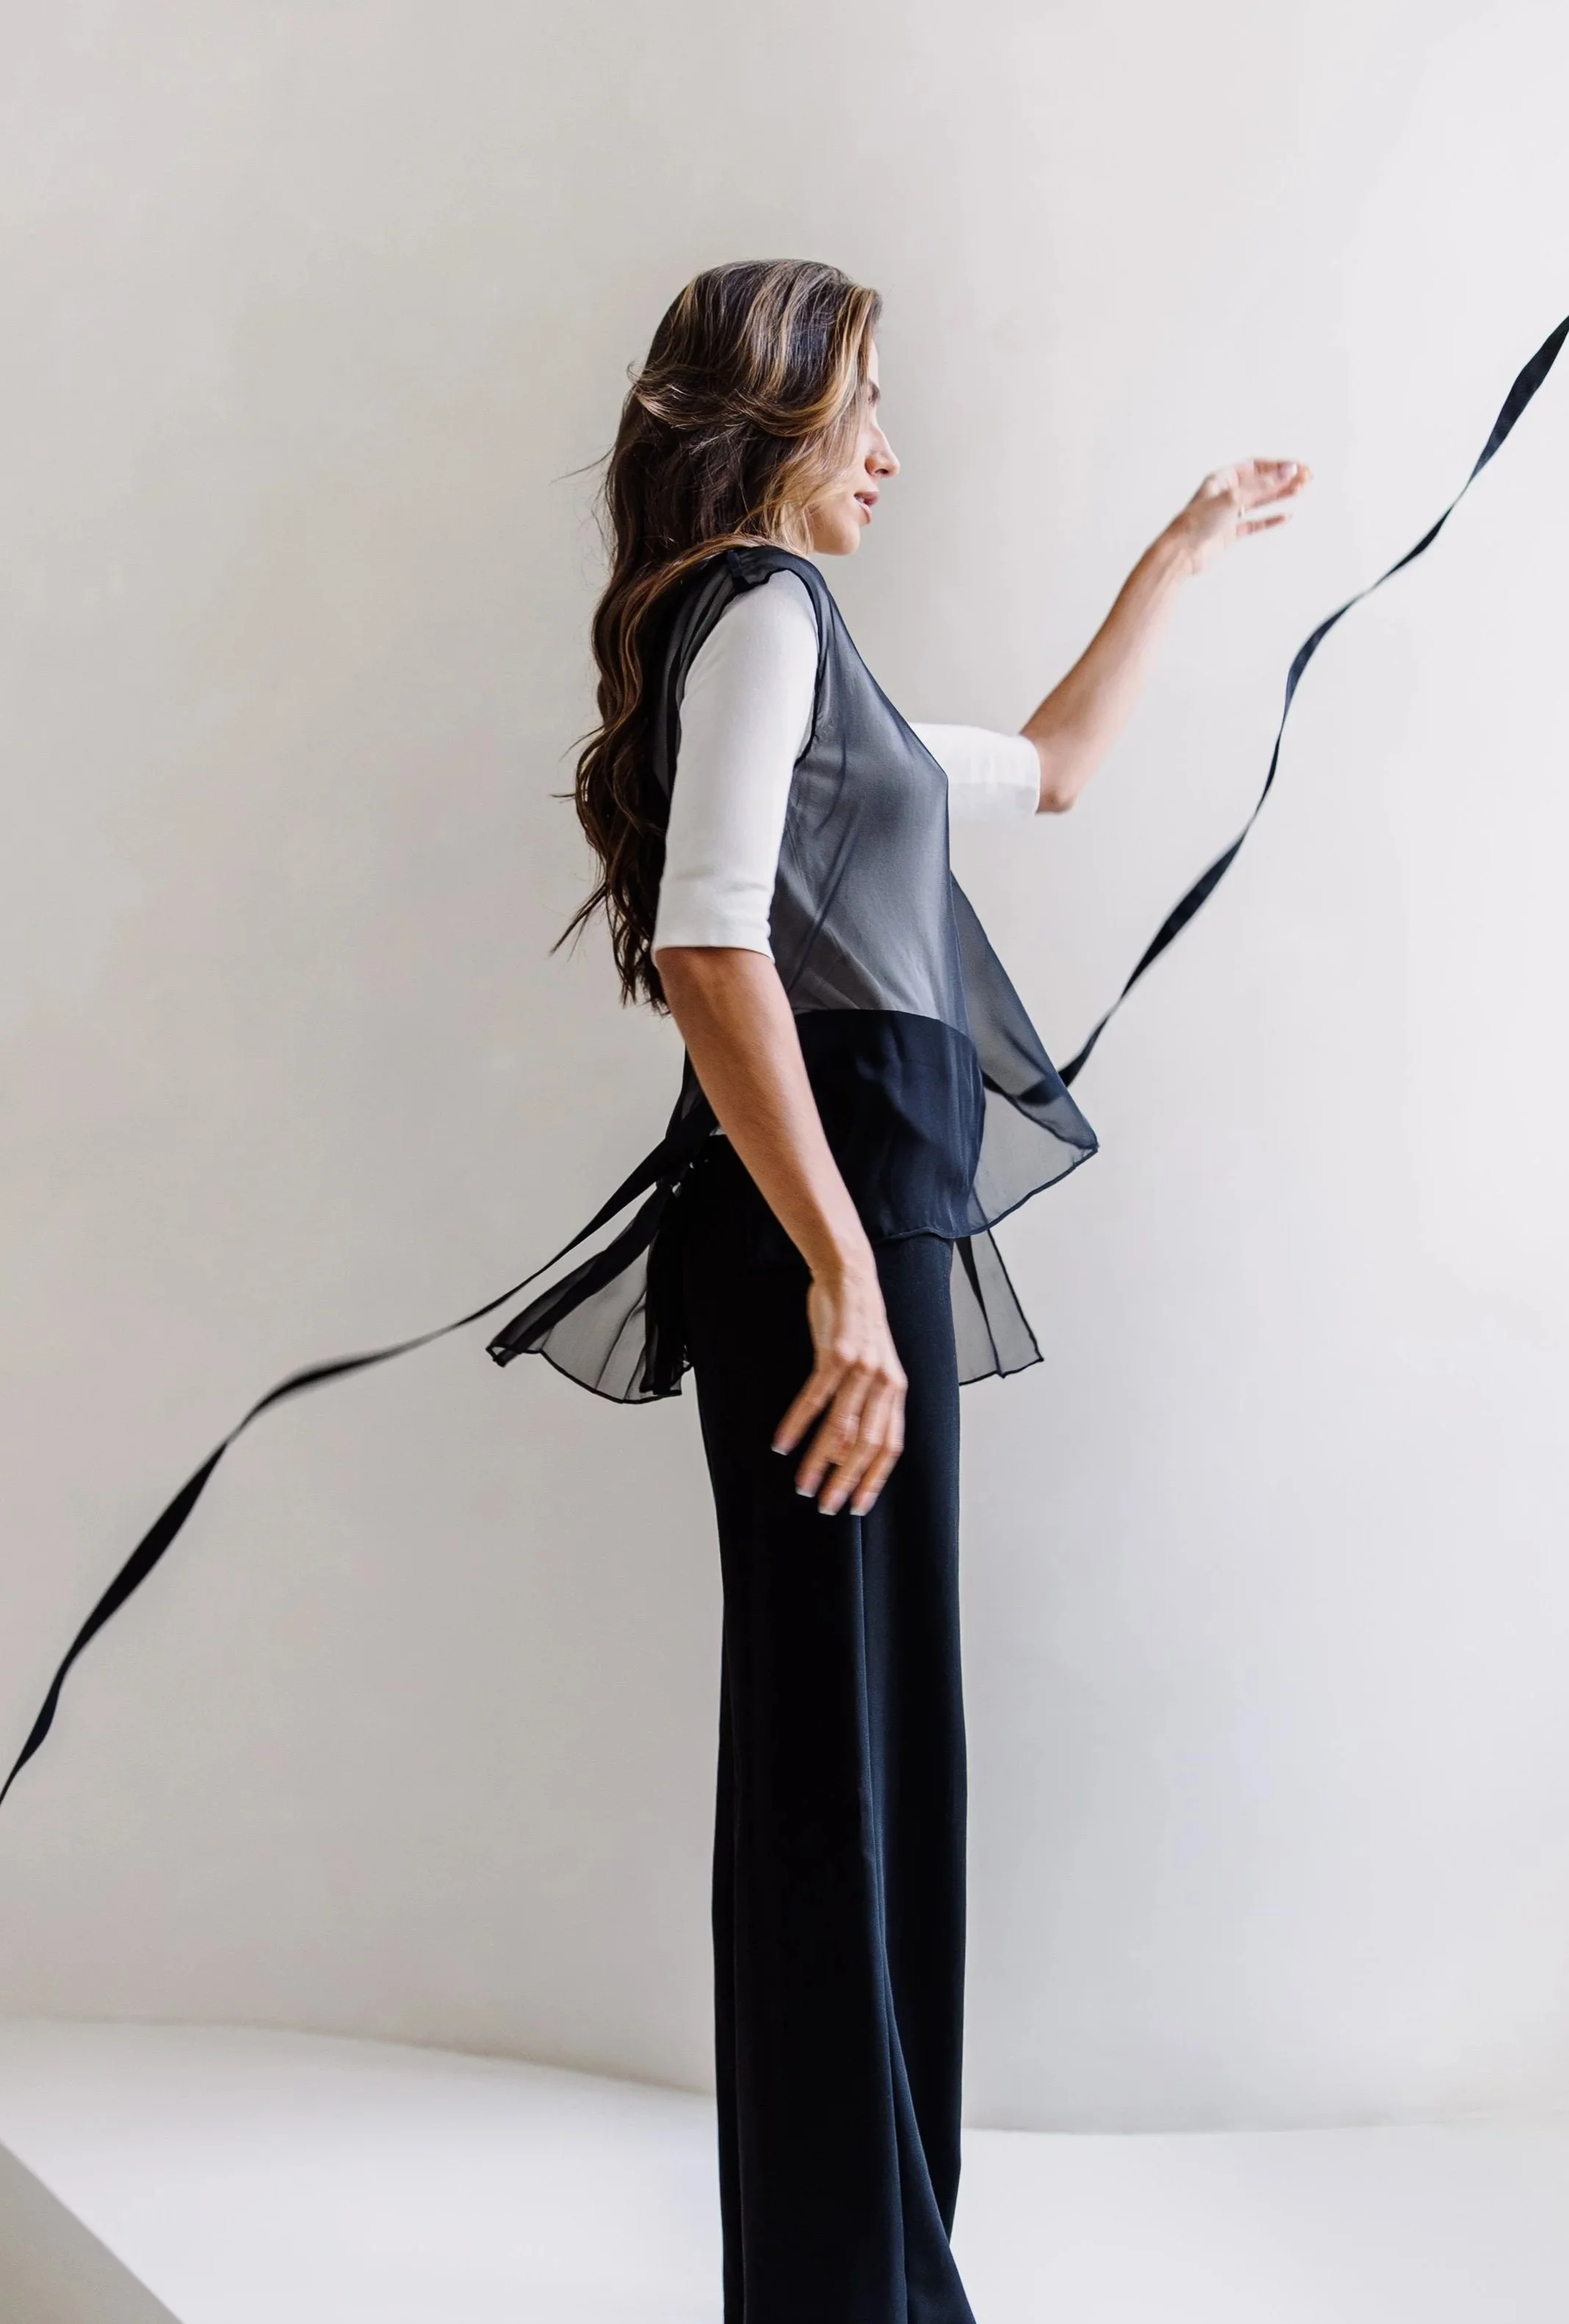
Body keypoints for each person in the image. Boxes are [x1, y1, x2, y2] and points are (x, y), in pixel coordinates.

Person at [486, 260, 1308, 2323]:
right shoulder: (760, 613)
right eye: (863, 408)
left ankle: (858, 2274)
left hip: (837, 1241)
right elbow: (709, 951)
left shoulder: (791, 655)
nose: (891, 451)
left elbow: (1050, 765)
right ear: (769, 421)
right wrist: (846, 1272)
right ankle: (859, 2292)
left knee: (862, 1743)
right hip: (821, 1250)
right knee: (842, 1758)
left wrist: (1182, 550)